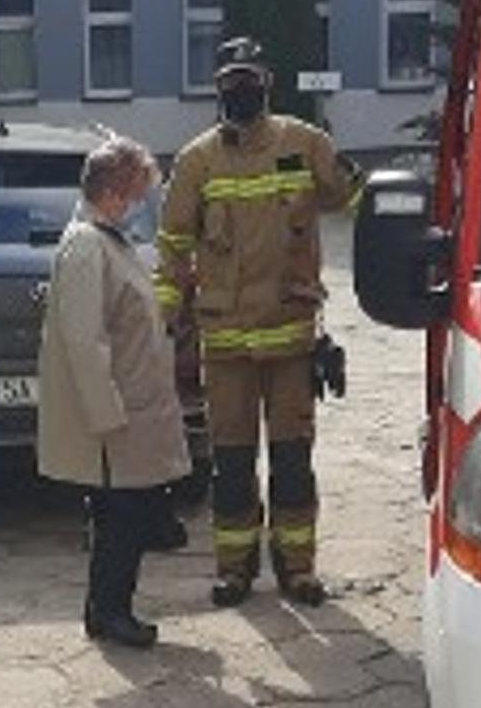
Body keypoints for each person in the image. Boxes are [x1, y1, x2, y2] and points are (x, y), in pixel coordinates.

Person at [154, 37, 363, 609]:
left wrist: (407, 218)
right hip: (225, 348)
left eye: (248, 80)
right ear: (217, 89)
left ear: (266, 83)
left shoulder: (304, 144)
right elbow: (172, 246)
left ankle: (297, 568)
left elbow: (357, 198)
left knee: (294, 462)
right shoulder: (197, 162)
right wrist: (162, 320)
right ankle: (234, 570)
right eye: (229, 82)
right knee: (233, 466)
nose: (239, 90)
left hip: (292, 339)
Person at [37, 137, 191, 650]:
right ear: (113, 193)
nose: (141, 203)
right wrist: (105, 416)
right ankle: (111, 612)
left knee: (121, 518)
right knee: (122, 519)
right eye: (137, 193)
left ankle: (105, 610)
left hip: (133, 411)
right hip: (116, 420)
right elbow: (84, 340)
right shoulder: (87, 245)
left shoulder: (108, 241)